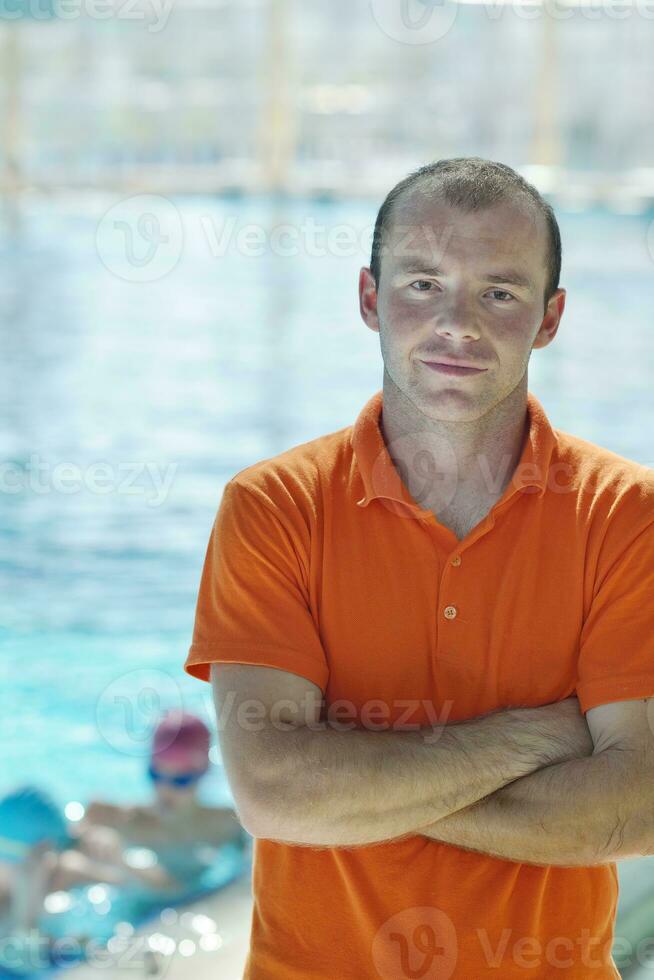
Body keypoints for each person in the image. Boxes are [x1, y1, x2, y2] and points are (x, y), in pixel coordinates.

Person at [183, 158, 654, 979]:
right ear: (370, 299)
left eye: (500, 293)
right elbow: (273, 795)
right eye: (423, 284)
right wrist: (533, 738)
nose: (457, 325)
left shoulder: (625, 515)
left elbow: (635, 809)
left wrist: (356, 787)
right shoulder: (274, 507)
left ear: (550, 318)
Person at [0, 712, 246, 944]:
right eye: (156, 775)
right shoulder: (108, 816)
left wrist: (122, 862)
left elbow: (209, 891)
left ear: (204, 770)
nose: (165, 790)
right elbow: (57, 852)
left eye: (180, 780)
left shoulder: (229, 826)